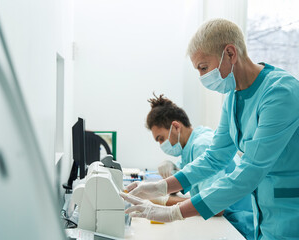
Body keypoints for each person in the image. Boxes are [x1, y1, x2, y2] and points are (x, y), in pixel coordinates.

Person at [121, 18, 299, 240]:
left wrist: (173, 212)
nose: (202, 77)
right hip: (264, 218)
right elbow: (214, 158)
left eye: (204, 68)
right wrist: (159, 188)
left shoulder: (280, 93)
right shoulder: (233, 98)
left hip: (290, 217)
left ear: (231, 53)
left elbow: (251, 169)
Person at [146, 93, 253, 239]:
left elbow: (215, 207)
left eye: (161, 139)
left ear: (176, 127)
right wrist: (172, 171)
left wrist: (163, 201)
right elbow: (185, 181)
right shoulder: (191, 146)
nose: (161, 145)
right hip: (226, 223)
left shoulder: (201, 145)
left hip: (236, 226)